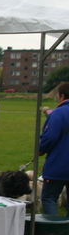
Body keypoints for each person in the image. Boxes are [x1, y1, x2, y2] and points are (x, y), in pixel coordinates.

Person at [39, 82, 69, 215]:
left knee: (49, 198)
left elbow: (50, 137)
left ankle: (53, 232)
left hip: (59, 163)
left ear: (62, 96)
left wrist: (40, 149)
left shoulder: (58, 113)